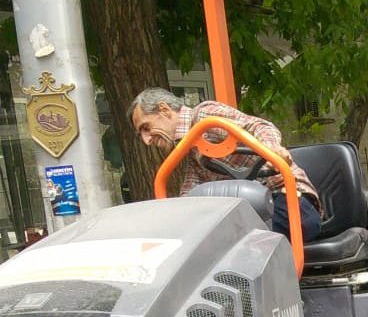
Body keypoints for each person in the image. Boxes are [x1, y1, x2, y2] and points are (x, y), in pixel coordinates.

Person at [128, 87, 322, 242]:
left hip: (287, 202)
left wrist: (273, 149)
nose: (146, 140)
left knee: (226, 239)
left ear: (164, 110)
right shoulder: (190, 151)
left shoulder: (205, 116)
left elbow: (258, 126)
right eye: (140, 134)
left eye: (146, 127)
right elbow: (190, 192)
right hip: (256, 209)